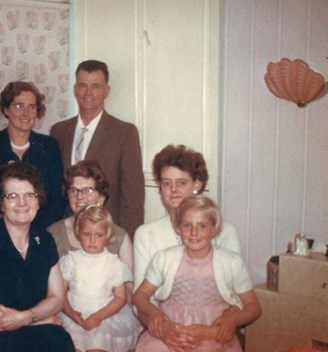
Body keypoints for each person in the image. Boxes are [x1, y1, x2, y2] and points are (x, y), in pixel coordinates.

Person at [0, 162, 75, 352]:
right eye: (12, 196)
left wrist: (26, 317)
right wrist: (39, 320)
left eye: (29, 195)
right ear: (1, 203)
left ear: (38, 201)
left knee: (60, 339)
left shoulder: (45, 240)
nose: (22, 203)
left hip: (30, 325)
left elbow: (56, 297)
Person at [134, 195, 261, 351]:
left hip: (213, 333)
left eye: (202, 226)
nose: (194, 232)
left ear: (214, 229)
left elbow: (253, 306)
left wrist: (233, 321)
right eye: (187, 225)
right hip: (172, 331)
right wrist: (153, 313)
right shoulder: (164, 258)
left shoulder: (231, 262)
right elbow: (140, 295)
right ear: (178, 228)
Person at [50, 59, 144, 238]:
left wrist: (127, 240)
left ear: (106, 91)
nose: (88, 93)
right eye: (83, 85)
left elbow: (133, 198)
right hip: (67, 234)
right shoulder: (59, 131)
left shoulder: (125, 133)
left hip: (105, 233)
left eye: (95, 86)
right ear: (75, 89)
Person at [133, 144, 242, 292]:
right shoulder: (146, 235)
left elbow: (236, 293)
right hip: (161, 313)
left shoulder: (225, 232)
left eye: (181, 183)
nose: (173, 189)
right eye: (166, 183)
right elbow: (141, 300)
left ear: (197, 184)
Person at [59, 205, 141, 352]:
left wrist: (98, 316)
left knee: (97, 347)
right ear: (78, 233)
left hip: (104, 316)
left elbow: (120, 298)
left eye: (98, 235)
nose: (92, 240)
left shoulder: (113, 263)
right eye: (87, 234)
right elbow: (60, 293)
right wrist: (70, 313)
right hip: (74, 315)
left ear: (108, 235)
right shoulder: (70, 260)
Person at [0, 81, 65, 229]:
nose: (26, 113)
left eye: (31, 107)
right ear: (6, 109)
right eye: (19, 106)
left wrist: (36, 232)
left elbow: (57, 199)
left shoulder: (49, 146)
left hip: (42, 231)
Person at [47, 160, 133, 273]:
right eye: (73, 190)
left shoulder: (119, 237)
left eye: (88, 190)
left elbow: (128, 287)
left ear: (101, 198)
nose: (79, 196)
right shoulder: (54, 233)